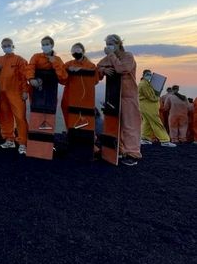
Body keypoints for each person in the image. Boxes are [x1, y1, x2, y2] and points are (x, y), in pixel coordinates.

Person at [97, 34, 142, 166]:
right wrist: (104, 70)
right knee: (115, 124)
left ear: (118, 44)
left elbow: (122, 68)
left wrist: (111, 56)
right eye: (107, 44)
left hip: (128, 96)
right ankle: (120, 151)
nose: (108, 46)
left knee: (130, 125)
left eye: (111, 43)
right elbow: (98, 67)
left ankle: (133, 154)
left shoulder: (128, 56)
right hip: (114, 95)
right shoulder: (108, 58)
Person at [0, 38, 29, 155]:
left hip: (16, 93)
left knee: (20, 118)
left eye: (8, 45)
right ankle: (9, 139)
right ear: (1, 47)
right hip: (2, 93)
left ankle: (23, 143)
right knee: (4, 116)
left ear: (13, 46)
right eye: (4, 46)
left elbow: (24, 77)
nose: (6, 47)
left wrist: (25, 91)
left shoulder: (20, 60)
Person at [61, 42, 99, 129]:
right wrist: (67, 71)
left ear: (83, 51)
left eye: (77, 50)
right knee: (69, 116)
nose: (75, 52)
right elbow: (62, 80)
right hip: (68, 96)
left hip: (84, 98)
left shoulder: (91, 66)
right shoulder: (68, 64)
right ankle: (69, 133)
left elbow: (95, 81)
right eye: (73, 51)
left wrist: (82, 71)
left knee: (84, 119)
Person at [138, 70, 176, 147]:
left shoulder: (146, 83)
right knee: (157, 122)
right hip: (148, 107)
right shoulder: (144, 84)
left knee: (147, 122)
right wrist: (158, 96)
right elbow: (151, 97)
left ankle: (145, 139)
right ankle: (165, 140)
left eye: (150, 74)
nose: (149, 75)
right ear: (144, 75)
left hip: (146, 106)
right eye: (147, 74)